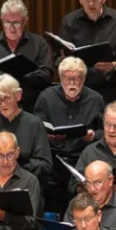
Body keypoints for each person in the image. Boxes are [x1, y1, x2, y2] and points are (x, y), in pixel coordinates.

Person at [35, 57, 105, 209]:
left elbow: (104, 131)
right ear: (61, 79)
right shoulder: (46, 97)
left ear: (84, 79)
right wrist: (48, 135)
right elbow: (37, 128)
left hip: (83, 159)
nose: (72, 83)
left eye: (77, 78)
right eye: (68, 78)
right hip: (55, 158)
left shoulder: (95, 99)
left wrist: (93, 135)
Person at [57, 0, 116, 104]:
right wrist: (65, 63)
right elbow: (58, 58)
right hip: (78, 92)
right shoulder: (69, 21)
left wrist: (114, 65)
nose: (91, 4)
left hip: (109, 92)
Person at [0, 0, 56, 111]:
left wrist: (23, 76)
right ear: (2, 20)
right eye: (7, 23)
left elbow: (47, 75)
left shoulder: (39, 44)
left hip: (32, 107)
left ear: (25, 21)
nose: (12, 28)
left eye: (16, 23)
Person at [0, 74, 50, 181]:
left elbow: (45, 165)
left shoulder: (34, 123)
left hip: (26, 181)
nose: (3, 104)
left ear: (18, 95)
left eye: (7, 98)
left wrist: (14, 167)